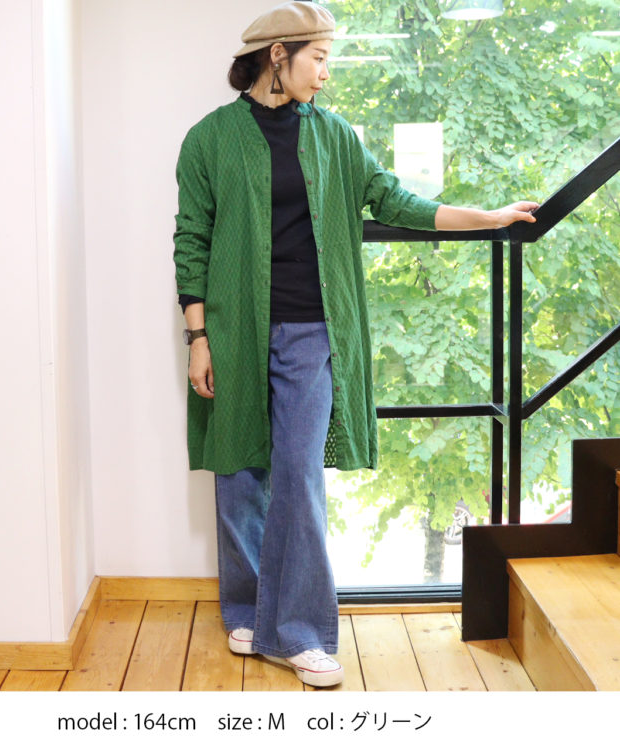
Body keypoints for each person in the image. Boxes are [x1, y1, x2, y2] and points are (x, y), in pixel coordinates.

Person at [173, 1, 538, 688]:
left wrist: (488, 217)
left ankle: (300, 633)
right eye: (318, 58)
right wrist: (198, 336)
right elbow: (191, 240)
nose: (326, 73)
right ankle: (247, 610)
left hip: (314, 332)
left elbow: (395, 201)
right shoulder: (209, 140)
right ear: (277, 56)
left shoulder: (335, 136)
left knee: (299, 476)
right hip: (232, 329)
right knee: (239, 474)